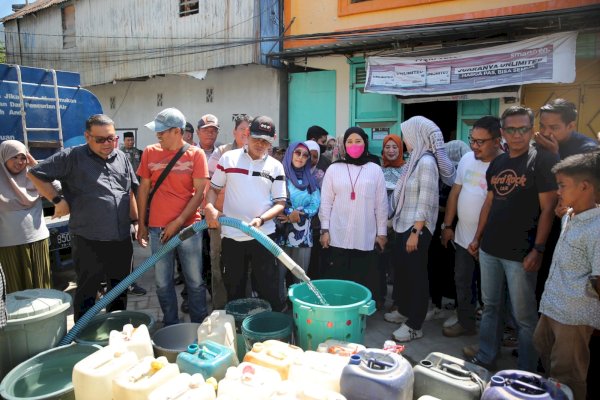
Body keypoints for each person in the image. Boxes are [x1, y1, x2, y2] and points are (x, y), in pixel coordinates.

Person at [465, 106, 558, 371]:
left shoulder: (541, 161)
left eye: (524, 129)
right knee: (490, 307)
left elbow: (548, 210)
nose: (518, 135)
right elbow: (490, 202)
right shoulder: (498, 162)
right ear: (503, 132)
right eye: (512, 129)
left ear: (531, 129)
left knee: (524, 317)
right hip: (490, 249)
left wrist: (538, 249)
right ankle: (486, 356)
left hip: (521, 253)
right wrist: (478, 237)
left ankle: (527, 370)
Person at [28, 114, 139, 321]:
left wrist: (136, 222)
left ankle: (115, 330)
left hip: (121, 238)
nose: (108, 144)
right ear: (87, 136)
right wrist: (57, 199)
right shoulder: (72, 157)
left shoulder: (121, 157)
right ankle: (82, 337)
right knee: (88, 291)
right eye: (101, 139)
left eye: (112, 138)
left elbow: (129, 191)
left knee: (119, 289)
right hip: (89, 240)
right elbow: (35, 173)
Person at [533, 152, 600, 400]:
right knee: (543, 348)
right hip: (552, 306)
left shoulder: (597, 228)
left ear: (585, 186)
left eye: (562, 185)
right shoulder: (570, 216)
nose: (557, 191)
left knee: (569, 375)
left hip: (573, 316)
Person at [204, 116, 286, 311]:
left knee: (267, 288)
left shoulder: (275, 166)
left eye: (265, 141)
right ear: (247, 135)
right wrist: (210, 208)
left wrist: (261, 219)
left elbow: (280, 203)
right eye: (256, 138)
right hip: (232, 236)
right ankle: (238, 330)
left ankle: (267, 330)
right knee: (234, 289)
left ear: (272, 140)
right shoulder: (228, 159)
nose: (260, 144)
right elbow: (214, 190)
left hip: (263, 236)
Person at [137, 107, 209, 325]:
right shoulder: (149, 152)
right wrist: (141, 224)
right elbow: (143, 189)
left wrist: (178, 222)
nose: (158, 135)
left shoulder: (196, 154)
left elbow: (200, 194)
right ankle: (170, 323)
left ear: (177, 131)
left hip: (189, 229)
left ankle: (199, 324)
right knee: (162, 282)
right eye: (157, 131)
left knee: (195, 281)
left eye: (162, 131)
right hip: (158, 229)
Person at [440, 116, 504, 337]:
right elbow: (455, 193)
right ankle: (465, 323)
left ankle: (490, 336)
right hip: (462, 237)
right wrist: (447, 226)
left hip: (491, 242)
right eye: (472, 140)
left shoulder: (504, 165)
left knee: (491, 293)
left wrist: (479, 238)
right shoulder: (467, 159)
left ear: (497, 140)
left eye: (480, 142)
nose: (474, 146)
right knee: (462, 282)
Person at [319, 127, 387, 302]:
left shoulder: (374, 169)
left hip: (365, 234)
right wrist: (324, 230)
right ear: (344, 145)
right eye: (349, 142)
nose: (354, 145)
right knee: (338, 275)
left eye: (358, 141)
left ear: (365, 143)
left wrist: (382, 233)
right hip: (338, 234)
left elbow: (381, 204)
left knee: (362, 276)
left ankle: (358, 312)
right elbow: (326, 202)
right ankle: (340, 309)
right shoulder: (334, 169)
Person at [386, 116, 440, 342]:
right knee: (406, 274)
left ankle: (414, 324)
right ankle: (405, 311)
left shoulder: (426, 162)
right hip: (403, 224)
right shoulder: (414, 161)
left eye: (407, 135)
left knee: (417, 277)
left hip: (416, 228)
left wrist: (416, 232)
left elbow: (426, 200)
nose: (404, 139)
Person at [204, 114, 251, 309]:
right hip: (221, 220)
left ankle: (246, 308)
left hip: (248, 224)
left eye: (250, 130)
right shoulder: (222, 153)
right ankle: (221, 310)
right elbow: (210, 184)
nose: (246, 133)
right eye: (243, 129)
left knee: (246, 268)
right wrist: (211, 209)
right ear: (234, 132)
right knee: (219, 265)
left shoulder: (259, 153)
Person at [0, 140, 53, 293]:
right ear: (3, 157)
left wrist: (35, 165)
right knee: (14, 293)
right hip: (8, 246)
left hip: (37, 242)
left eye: (23, 157)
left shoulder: (33, 177)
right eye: (14, 157)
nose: (19, 162)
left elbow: (56, 188)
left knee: (41, 291)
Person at [276, 142, 320, 299]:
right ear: (290, 154)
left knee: (301, 276)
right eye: (297, 153)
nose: (301, 157)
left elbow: (315, 205)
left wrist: (298, 213)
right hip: (281, 234)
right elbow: (272, 198)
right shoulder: (279, 176)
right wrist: (288, 214)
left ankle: (299, 308)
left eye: (305, 155)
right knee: (278, 276)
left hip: (303, 236)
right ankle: (279, 307)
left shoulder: (311, 180)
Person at [377, 134, 405, 308]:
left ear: (401, 149)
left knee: (398, 265)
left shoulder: (406, 170)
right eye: (387, 147)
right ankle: (379, 297)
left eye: (395, 147)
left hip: (399, 224)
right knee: (379, 262)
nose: (391, 150)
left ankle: (397, 301)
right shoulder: (378, 170)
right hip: (380, 225)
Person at [119, 131, 146, 296]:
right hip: (119, 202)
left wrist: (137, 221)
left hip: (134, 195)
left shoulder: (139, 153)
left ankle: (128, 283)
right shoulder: (119, 155)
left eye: (131, 139)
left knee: (127, 247)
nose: (129, 142)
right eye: (127, 139)